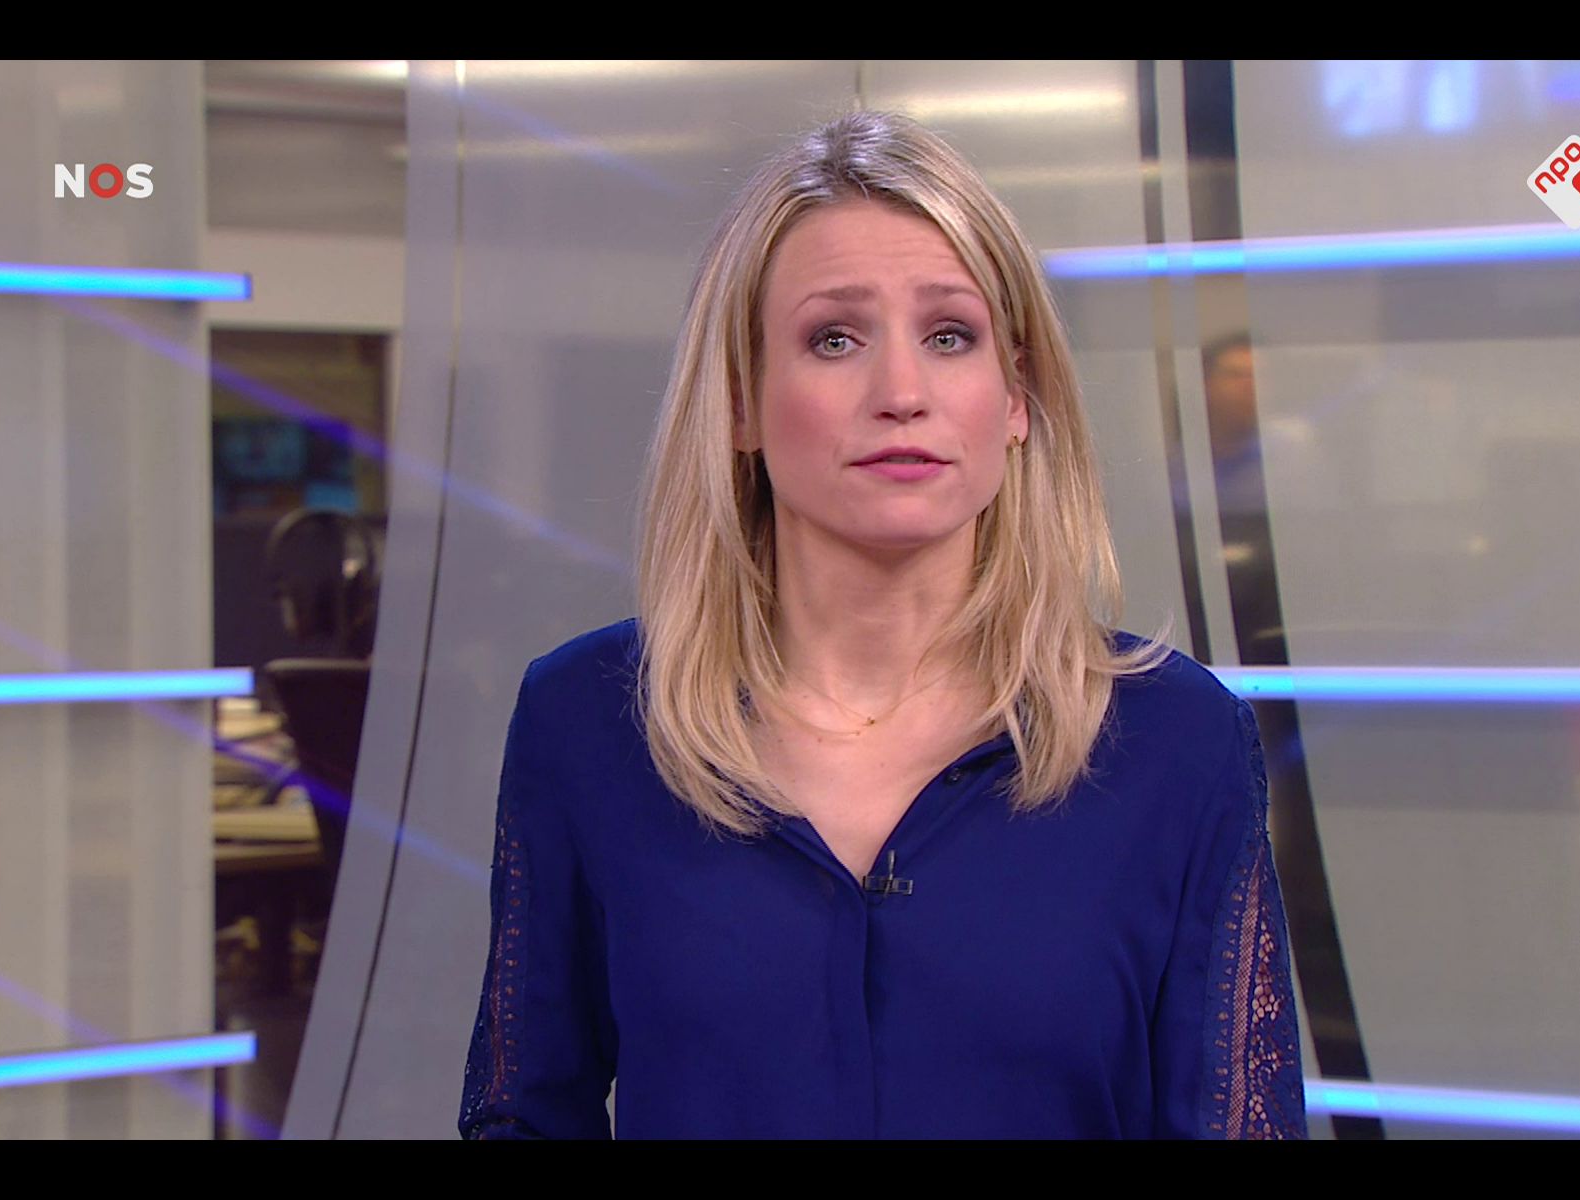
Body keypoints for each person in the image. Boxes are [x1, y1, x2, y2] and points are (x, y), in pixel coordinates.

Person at [458, 109, 1306, 1139]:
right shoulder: (586, 723)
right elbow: (524, 1114)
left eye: (951, 337)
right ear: (740, 402)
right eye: (834, 339)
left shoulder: (1178, 742)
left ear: (1016, 398)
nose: (902, 392)